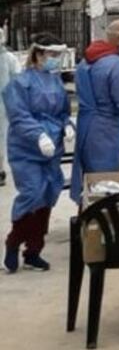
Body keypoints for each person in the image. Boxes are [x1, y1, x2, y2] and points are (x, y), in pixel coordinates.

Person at [3, 34, 72, 272]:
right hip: (26, 149)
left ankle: (33, 251)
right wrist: (38, 135)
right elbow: (19, 116)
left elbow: (63, 111)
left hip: (52, 147)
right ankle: (13, 242)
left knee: (49, 194)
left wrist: (68, 125)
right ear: (38, 54)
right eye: (51, 55)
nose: (55, 60)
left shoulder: (55, 82)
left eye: (57, 55)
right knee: (33, 192)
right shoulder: (19, 84)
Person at [70, 20, 119, 203]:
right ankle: (100, 222)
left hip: (87, 126)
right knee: (105, 182)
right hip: (106, 130)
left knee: (89, 176)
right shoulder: (115, 65)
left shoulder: (85, 61)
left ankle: (87, 218)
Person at [0, 26, 22, 187]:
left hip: (3, 106)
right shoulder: (8, 58)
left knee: (1, 139)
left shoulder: (8, 58)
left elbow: (17, 80)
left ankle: (0, 170)